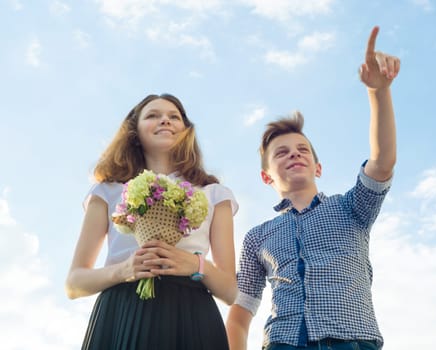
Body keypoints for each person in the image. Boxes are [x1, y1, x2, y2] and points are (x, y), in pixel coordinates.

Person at [226, 26, 400, 350]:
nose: (294, 153)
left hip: (353, 340)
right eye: (281, 152)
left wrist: (378, 92)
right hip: (282, 343)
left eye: (302, 149)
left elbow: (382, 162)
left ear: (317, 167)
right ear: (266, 177)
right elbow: (241, 311)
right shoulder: (257, 237)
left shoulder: (352, 208)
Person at [65, 93, 238, 350]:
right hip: (121, 312)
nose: (165, 121)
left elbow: (229, 291)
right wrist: (123, 270)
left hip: (191, 314)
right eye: (153, 116)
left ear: (186, 130)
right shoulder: (107, 191)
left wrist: (196, 264)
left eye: (174, 117)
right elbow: (74, 283)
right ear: (134, 131)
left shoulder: (213, 193)